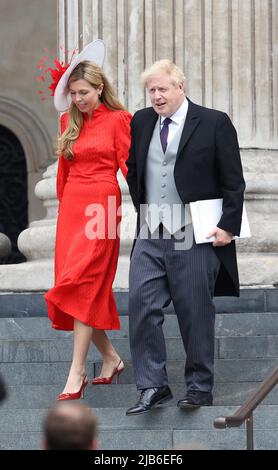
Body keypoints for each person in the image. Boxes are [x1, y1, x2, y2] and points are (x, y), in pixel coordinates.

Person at [125, 59, 245, 415]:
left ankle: (198, 388)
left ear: (180, 87)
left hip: (194, 231)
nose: (157, 97)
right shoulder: (142, 120)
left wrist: (228, 225)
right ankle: (152, 385)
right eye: (151, 91)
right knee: (141, 305)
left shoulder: (213, 122)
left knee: (194, 312)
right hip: (150, 229)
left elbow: (233, 180)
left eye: (162, 89)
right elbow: (135, 170)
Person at [44, 40, 132, 400]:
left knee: (83, 284)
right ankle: (110, 358)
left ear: (100, 88)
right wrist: (64, 216)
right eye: (74, 93)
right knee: (74, 286)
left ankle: (77, 370)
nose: (78, 99)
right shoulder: (69, 120)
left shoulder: (119, 119)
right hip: (73, 212)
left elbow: (130, 167)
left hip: (103, 207)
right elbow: (63, 174)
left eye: (84, 92)